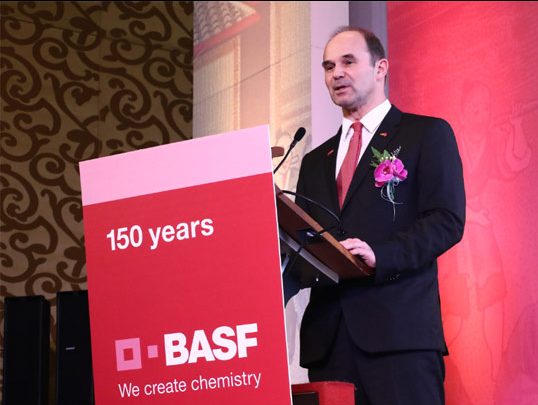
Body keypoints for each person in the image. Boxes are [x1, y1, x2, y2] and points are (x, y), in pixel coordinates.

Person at [295, 26, 466, 405]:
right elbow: (304, 241)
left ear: (380, 68)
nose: (336, 73)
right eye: (328, 66)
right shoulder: (313, 161)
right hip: (329, 344)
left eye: (348, 62)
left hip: (399, 337)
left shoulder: (425, 134)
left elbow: (446, 220)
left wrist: (381, 254)